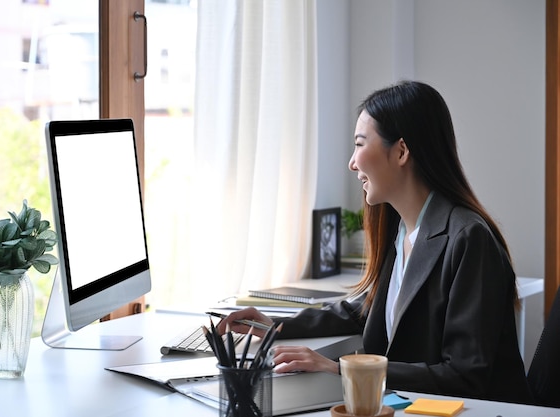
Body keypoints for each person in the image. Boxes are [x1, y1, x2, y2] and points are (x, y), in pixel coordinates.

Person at [219, 80, 532, 404]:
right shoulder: (402, 229)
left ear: (400, 151)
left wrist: (341, 368)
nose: (352, 163)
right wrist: (277, 326)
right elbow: (371, 309)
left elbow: (465, 377)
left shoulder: (469, 239)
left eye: (359, 144)